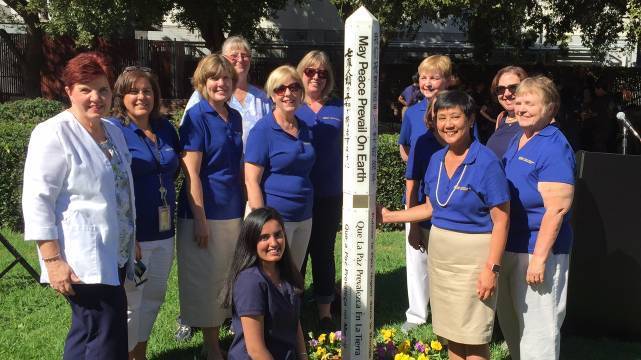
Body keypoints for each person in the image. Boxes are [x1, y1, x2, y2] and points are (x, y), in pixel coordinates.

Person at [381, 90, 510, 360]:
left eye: (455, 117)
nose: (448, 124)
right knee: (451, 335)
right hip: (441, 258)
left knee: (474, 339)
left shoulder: (487, 163)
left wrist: (491, 269)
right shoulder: (436, 160)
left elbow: (501, 220)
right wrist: (389, 216)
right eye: (442, 118)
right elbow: (431, 207)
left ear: (471, 119)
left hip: (474, 259)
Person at [22, 52, 134, 359]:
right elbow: (37, 200)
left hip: (115, 253)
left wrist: (130, 239)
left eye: (103, 89)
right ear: (69, 91)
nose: (95, 97)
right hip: (83, 260)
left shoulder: (113, 132)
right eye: (86, 89)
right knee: (102, 338)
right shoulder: (53, 133)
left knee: (93, 333)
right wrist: (53, 260)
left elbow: (121, 191)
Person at [497, 76, 575, 360]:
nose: (521, 108)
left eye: (530, 103)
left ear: (550, 108)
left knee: (538, 329)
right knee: (513, 325)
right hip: (510, 244)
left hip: (537, 249)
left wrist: (540, 258)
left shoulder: (554, 145)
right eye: (519, 102)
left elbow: (556, 209)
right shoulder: (520, 137)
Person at [108, 66, 180, 359]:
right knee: (130, 304)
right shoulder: (116, 131)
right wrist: (130, 234)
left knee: (153, 299)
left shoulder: (165, 129)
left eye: (147, 90)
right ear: (121, 95)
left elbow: (174, 170)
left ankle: (140, 354)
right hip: (135, 236)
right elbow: (112, 187)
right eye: (133, 90)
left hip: (165, 231)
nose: (141, 96)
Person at [176, 54, 244, 359]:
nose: (221, 83)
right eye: (214, 78)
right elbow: (191, 173)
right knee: (207, 281)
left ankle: (219, 342)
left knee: (227, 277)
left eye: (227, 78)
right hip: (206, 213)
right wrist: (200, 219)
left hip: (233, 211)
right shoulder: (196, 117)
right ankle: (211, 348)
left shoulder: (235, 116)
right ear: (202, 83)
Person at [397, 55, 452, 333]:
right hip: (418, 196)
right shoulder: (413, 113)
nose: (428, 82)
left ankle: (445, 314)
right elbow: (404, 147)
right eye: (423, 77)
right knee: (416, 255)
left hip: (449, 199)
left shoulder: (458, 110)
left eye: (434, 77)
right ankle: (417, 313)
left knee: (443, 259)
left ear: (448, 80)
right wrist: (415, 166)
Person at [245, 65, 315, 271]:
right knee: (271, 276)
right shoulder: (263, 130)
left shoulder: (306, 129)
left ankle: (293, 305)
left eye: (294, 87)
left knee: (294, 275)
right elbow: (251, 180)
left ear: (301, 93)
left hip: (304, 216)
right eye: (280, 89)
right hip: (275, 220)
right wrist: (263, 224)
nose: (288, 93)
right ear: (272, 95)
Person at [293, 50, 342, 332]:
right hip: (297, 194)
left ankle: (324, 311)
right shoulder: (289, 103)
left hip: (328, 193)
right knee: (295, 254)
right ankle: (294, 308)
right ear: (301, 73)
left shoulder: (339, 108)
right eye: (310, 71)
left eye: (322, 73)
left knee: (323, 252)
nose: (316, 77)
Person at [223, 208, 307, 359]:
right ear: (251, 242)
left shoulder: (286, 272)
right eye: (264, 237)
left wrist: (303, 355)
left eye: (278, 235)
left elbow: (295, 320)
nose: (274, 243)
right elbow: (256, 350)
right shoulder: (250, 282)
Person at [182, 35, 271, 146]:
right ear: (223, 58)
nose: (240, 59)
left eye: (245, 55)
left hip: (256, 162)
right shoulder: (205, 93)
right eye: (234, 56)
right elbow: (189, 133)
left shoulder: (262, 97)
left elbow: (272, 132)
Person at [486, 66, 529, 159]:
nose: (507, 94)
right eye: (501, 89)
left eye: (513, 87)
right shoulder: (502, 117)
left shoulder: (534, 122)